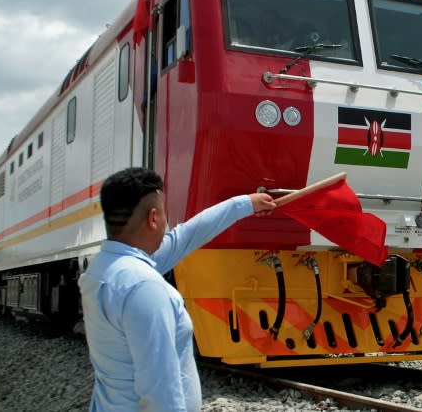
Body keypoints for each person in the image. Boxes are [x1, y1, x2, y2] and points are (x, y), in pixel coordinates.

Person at [79, 167, 275, 412]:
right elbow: (160, 387)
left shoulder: (102, 270)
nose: (167, 223)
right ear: (153, 218)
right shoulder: (144, 287)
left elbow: (186, 235)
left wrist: (244, 204)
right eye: (164, 214)